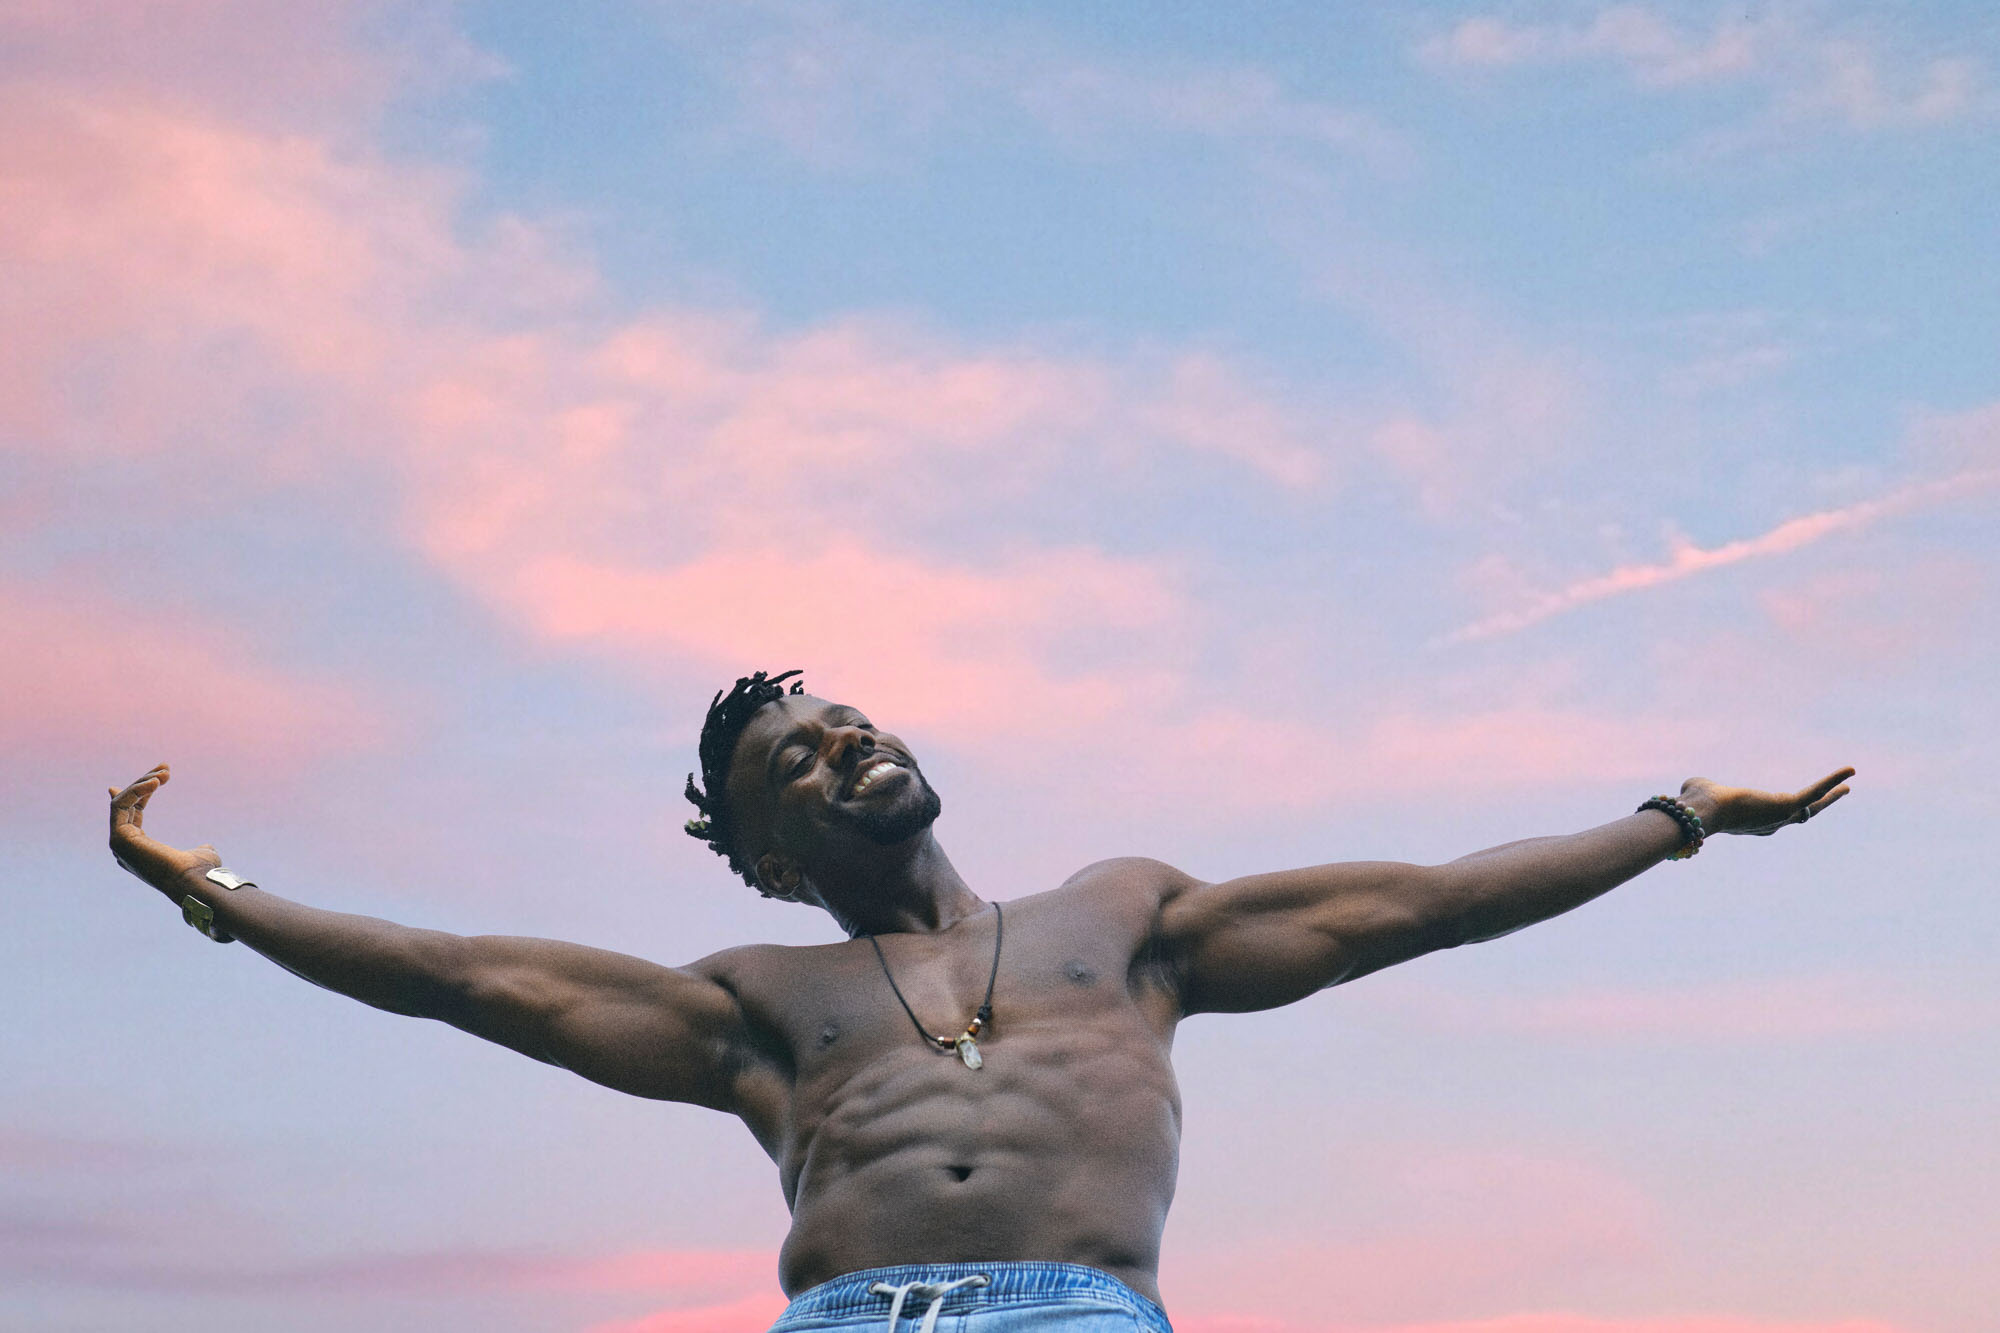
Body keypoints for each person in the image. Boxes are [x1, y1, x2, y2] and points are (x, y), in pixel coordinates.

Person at [107, 669, 1854, 1333]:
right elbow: (467, 980)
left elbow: (1421, 906)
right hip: (844, 1319)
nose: (848, 743)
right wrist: (225, 891)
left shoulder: (1120, 919)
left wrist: (1679, 816)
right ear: (767, 847)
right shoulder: (760, 998)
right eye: (801, 757)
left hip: (1072, 1310)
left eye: (851, 719)